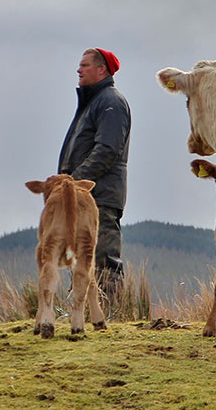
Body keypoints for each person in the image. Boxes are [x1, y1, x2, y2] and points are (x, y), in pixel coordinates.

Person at [58, 48, 131, 303]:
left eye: (85, 65)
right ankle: (85, 313)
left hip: (99, 198)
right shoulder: (94, 103)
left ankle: (109, 314)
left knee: (104, 260)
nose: (78, 70)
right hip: (87, 196)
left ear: (102, 70)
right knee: (84, 258)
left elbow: (108, 149)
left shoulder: (110, 101)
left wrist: (73, 180)